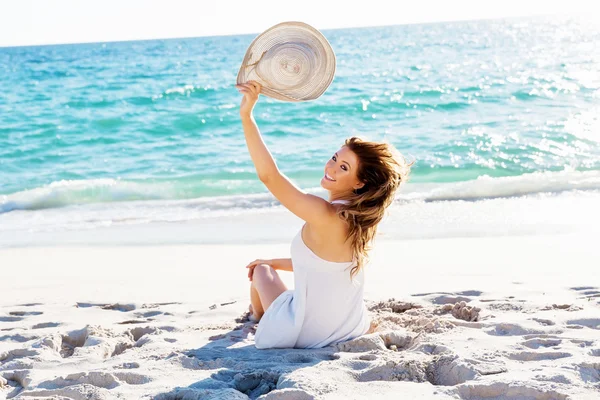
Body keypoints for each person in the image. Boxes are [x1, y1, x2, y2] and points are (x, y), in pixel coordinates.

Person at [235, 80, 411, 349]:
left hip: (304, 334)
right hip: (349, 327)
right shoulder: (360, 220)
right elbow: (322, 267)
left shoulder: (324, 213)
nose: (331, 168)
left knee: (259, 271)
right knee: (268, 265)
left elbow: (269, 176)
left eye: (343, 167)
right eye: (334, 158)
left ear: (359, 183)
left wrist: (247, 117)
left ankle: (256, 317)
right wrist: (275, 261)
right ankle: (260, 313)